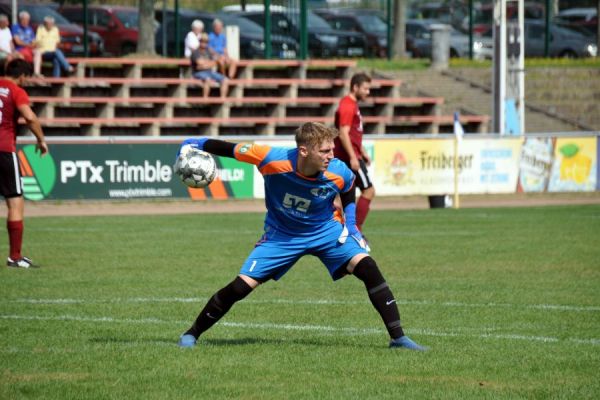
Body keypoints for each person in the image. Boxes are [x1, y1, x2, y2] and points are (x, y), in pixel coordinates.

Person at [176, 122, 426, 351]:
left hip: (326, 231)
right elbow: (230, 149)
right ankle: (192, 334)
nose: (332, 156)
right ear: (304, 151)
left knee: (368, 267)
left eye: (332, 150)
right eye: (325, 151)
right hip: (281, 236)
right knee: (241, 287)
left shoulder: (338, 170)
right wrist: (193, 143)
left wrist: (351, 225)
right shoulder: (270, 158)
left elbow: (349, 189)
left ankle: (398, 338)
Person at [0, 59, 48, 268]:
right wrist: (41, 140)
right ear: (22, 76)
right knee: (15, 202)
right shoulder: (16, 91)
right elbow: (30, 117)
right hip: (3, 150)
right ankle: (15, 257)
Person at [334, 72, 375, 234]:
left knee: (345, 198)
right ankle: (355, 230)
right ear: (355, 87)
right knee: (369, 191)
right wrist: (353, 156)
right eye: (365, 88)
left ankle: (348, 230)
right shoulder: (347, 105)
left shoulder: (352, 104)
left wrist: (362, 151)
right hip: (348, 157)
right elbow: (343, 133)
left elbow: (352, 133)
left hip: (353, 155)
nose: (368, 92)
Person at [191, 33, 227, 98]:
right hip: (198, 73)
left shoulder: (208, 51)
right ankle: (205, 98)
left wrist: (207, 64)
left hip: (209, 72)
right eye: (202, 41)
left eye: (206, 42)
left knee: (225, 80)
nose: (204, 43)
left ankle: (222, 99)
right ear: (199, 41)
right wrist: (211, 63)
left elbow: (216, 61)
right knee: (207, 79)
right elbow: (200, 63)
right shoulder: (195, 52)